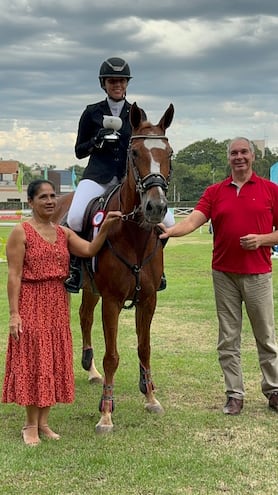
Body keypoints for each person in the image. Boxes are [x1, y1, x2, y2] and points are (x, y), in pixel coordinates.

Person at [160, 137, 278, 415]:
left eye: (244, 152)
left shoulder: (270, 190)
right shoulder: (215, 191)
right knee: (228, 338)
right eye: (234, 153)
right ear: (228, 158)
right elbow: (193, 220)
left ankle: (273, 390)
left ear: (252, 156)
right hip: (224, 275)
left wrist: (262, 239)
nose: (239, 157)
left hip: (258, 274)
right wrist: (167, 231)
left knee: (266, 336)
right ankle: (234, 394)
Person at [1, 179, 121, 446]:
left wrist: (104, 228)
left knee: (52, 361)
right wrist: (14, 314)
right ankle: (29, 425)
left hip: (57, 302)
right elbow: (14, 275)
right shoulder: (21, 232)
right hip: (31, 301)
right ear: (31, 202)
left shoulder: (63, 233)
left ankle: (44, 423)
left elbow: (89, 249)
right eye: (43, 197)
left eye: (53, 196)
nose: (50, 201)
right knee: (34, 361)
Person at [65, 56, 174, 293]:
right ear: (103, 83)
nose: (118, 85)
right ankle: (75, 270)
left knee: (168, 222)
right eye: (113, 80)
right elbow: (79, 151)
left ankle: (156, 268)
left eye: (122, 81)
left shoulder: (137, 112)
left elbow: (143, 147)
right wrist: (96, 141)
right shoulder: (91, 112)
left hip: (129, 179)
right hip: (97, 176)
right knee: (74, 217)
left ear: (127, 84)